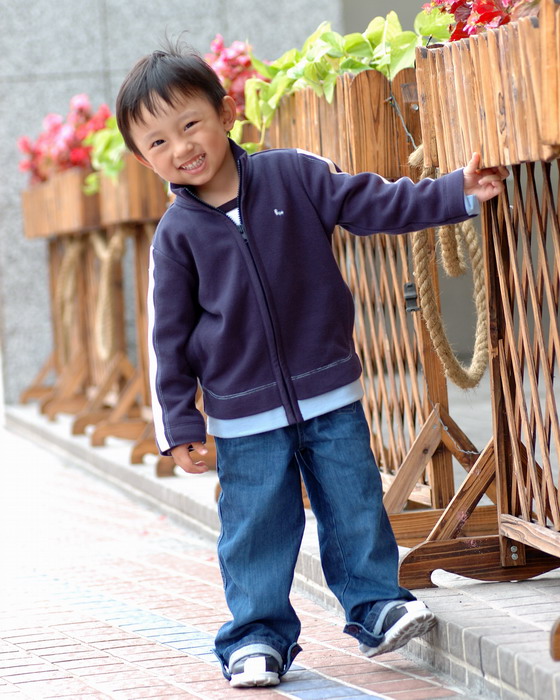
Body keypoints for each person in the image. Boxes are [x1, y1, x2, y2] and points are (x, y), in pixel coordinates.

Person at [115, 42, 508, 689]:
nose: (180, 147)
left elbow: (373, 203)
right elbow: (169, 337)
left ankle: (376, 604)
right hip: (243, 415)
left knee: (354, 503)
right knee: (257, 527)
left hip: (328, 390)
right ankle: (257, 637)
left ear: (225, 111)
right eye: (157, 142)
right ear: (143, 159)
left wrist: (454, 195)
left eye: (190, 124)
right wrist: (179, 421)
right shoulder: (176, 237)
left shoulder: (292, 175)